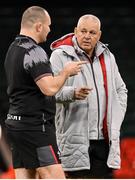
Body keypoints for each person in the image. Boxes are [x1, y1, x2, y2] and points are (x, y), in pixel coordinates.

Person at [4, 6, 86, 179]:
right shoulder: (34, 51)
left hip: (15, 126)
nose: (50, 30)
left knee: (26, 177)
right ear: (39, 26)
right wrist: (65, 72)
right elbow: (49, 88)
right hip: (35, 128)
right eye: (48, 25)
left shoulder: (12, 49)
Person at [50, 14, 128, 178]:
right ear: (75, 31)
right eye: (83, 31)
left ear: (99, 35)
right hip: (74, 139)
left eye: (92, 32)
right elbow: (49, 92)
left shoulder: (108, 57)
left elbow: (121, 90)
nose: (87, 36)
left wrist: (116, 117)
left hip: (103, 140)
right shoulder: (59, 56)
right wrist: (72, 93)